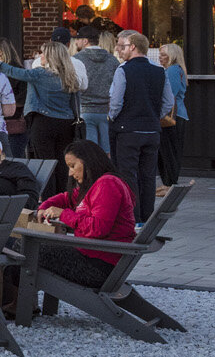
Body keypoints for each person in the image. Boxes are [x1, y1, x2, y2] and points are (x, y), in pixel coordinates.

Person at [31, 139, 136, 292]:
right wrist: (44, 207)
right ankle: (14, 301)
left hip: (98, 266)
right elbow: (65, 198)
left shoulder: (107, 184)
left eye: (73, 166)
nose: (70, 173)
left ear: (88, 161)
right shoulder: (96, 185)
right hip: (95, 257)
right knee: (28, 249)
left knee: (27, 247)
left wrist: (63, 214)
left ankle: (15, 304)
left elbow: (98, 228)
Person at [108, 28, 166, 224]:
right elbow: (168, 101)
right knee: (148, 176)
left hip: (128, 130)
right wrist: (154, 116)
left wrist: (112, 117)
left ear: (132, 47)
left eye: (122, 46)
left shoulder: (123, 70)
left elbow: (116, 101)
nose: (118, 50)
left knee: (128, 174)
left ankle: (133, 217)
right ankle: (147, 217)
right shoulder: (159, 71)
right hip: (152, 130)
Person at [0, 41, 82, 164]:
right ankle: (62, 184)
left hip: (44, 122)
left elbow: (17, 73)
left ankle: (49, 184)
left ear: (51, 57)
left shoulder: (40, 74)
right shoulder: (70, 76)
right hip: (66, 123)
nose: (40, 55)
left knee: (45, 162)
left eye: (43, 53)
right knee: (63, 162)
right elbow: (75, 102)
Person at [74, 29, 118, 152]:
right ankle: (108, 172)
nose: (76, 42)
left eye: (77, 39)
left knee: (89, 152)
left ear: (85, 41)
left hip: (85, 109)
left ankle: (92, 172)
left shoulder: (76, 59)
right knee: (107, 152)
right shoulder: (112, 60)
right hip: (106, 111)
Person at [0, 38, 30, 159]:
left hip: (12, 124)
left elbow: (22, 98)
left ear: (0, 52)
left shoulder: (17, 72)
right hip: (1, 124)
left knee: (14, 159)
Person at [157, 42, 189, 187]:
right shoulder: (177, 69)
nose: (160, 57)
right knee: (171, 150)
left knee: (168, 151)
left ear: (172, 56)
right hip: (179, 114)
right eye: (160, 54)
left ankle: (169, 184)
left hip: (172, 116)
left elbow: (170, 94)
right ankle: (168, 183)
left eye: (164, 55)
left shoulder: (172, 70)